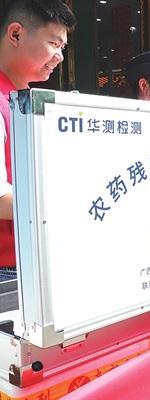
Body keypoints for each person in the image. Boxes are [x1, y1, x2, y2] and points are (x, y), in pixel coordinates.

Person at [0, 0, 76, 282]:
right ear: (16, 34)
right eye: (54, 44)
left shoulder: (26, 102)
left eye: (62, 48)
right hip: (10, 271)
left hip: (33, 262)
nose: (60, 57)